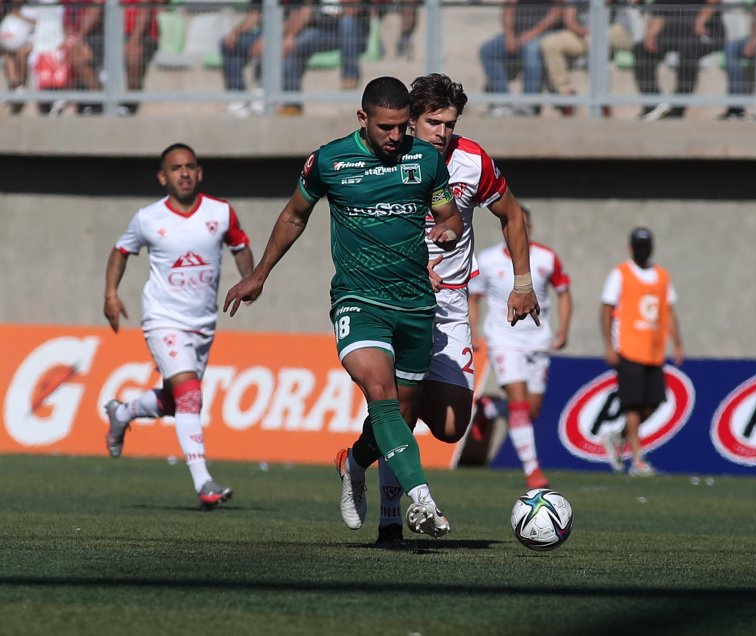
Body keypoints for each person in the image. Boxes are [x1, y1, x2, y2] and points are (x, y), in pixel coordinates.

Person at [222, 76, 465, 539]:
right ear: (363, 119)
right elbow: (295, 214)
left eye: (402, 128)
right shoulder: (330, 160)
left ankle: (353, 463)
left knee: (399, 415)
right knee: (382, 394)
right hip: (359, 299)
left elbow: (448, 213)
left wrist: (448, 231)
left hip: (414, 302)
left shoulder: (427, 159)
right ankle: (422, 501)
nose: (397, 137)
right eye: (386, 127)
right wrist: (259, 275)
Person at [335, 73, 541, 547]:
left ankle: (354, 460)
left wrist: (522, 284)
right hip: (391, 300)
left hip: (447, 310)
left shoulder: (472, 161)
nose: (442, 132)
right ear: (410, 119)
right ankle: (391, 521)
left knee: (451, 427)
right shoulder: (388, 159)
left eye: (450, 123)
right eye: (433, 122)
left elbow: (511, 214)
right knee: (398, 407)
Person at [102, 143, 254, 509]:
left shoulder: (220, 212)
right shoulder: (148, 218)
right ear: (162, 177)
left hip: (203, 323)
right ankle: (204, 484)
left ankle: (122, 413)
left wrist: (250, 277)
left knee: (175, 400)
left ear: (199, 172)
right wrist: (111, 294)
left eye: (190, 166)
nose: (183, 173)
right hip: (163, 318)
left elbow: (240, 244)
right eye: (175, 168)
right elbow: (121, 251)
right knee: (189, 396)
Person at [469, 205, 571, 490]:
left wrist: (563, 328)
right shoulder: (487, 260)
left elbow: (564, 292)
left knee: (532, 410)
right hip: (504, 340)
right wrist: (473, 331)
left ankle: (489, 409)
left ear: (531, 228)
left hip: (537, 341)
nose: (518, 230)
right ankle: (533, 471)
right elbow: (474, 297)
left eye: (524, 225)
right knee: (519, 403)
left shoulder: (546, 258)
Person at [599, 227, 683, 476]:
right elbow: (606, 310)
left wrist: (677, 342)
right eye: (638, 246)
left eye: (646, 246)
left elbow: (668, 311)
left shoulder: (661, 276)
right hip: (628, 347)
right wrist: (608, 345)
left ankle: (619, 436)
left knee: (654, 403)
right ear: (630, 248)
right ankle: (637, 459)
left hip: (653, 350)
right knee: (633, 405)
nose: (642, 251)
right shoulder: (620, 274)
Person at [221, 0, 370, 117]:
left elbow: (351, 10)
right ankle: (246, 99)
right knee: (292, 47)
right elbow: (255, 14)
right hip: (315, 31)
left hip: (344, 31)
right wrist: (236, 32)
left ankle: (350, 75)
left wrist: (283, 36)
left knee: (347, 23)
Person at [62, 0, 158, 115]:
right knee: (77, 54)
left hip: (140, 35)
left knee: (133, 54)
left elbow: (144, 9)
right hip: (111, 36)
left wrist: (133, 40)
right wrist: (80, 37)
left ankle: (130, 105)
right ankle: (100, 102)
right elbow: (95, 8)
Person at [633, 0, 725, 120]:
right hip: (675, 32)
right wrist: (650, 36)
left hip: (705, 32)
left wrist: (701, 20)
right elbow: (658, 14)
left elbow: (713, 1)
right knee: (641, 49)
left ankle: (677, 108)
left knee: (689, 51)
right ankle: (653, 105)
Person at [539, 0, 632, 117]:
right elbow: (569, 19)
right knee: (550, 44)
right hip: (587, 35)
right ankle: (566, 95)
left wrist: (594, 35)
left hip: (615, 32)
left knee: (600, 42)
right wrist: (584, 32)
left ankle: (602, 99)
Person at [479, 0, 564, 117]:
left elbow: (558, 10)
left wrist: (532, 34)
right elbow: (509, 7)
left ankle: (528, 103)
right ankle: (502, 103)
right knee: (488, 51)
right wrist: (509, 35)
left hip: (545, 34)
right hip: (518, 34)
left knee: (531, 49)